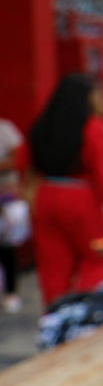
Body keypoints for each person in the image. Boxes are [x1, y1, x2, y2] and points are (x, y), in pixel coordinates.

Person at [26, 74, 103, 306]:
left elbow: (27, 169)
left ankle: (55, 319)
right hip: (83, 199)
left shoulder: (41, 127)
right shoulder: (93, 128)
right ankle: (85, 314)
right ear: (88, 98)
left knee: (53, 267)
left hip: (46, 197)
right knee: (99, 259)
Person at [0, 117, 28, 312]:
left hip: (5, 194)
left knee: (6, 246)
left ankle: (11, 292)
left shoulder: (5, 129)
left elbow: (19, 157)